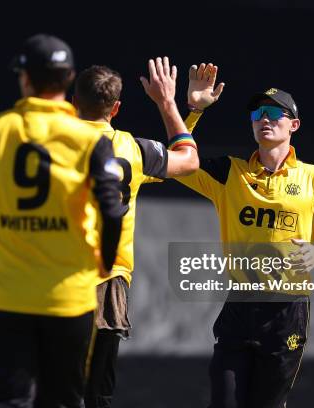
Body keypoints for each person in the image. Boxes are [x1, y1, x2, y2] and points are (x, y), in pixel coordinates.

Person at [0, 34, 124, 408]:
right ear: (69, 78)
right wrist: (103, 261)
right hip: (67, 298)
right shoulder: (89, 140)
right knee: (62, 401)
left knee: (7, 400)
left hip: (5, 295)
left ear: (24, 78)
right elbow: (111, 210)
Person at [176, 69, 314, 408]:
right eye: (258, 114)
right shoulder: (230, 173)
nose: (265, 119)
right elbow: (176, 161)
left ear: (294, 125)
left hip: (286, 312)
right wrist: (195, 111)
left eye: (275, 113)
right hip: (240, 306)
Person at [72, 62, 213, 408]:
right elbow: (187, 159)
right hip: (108, 282)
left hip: (57, 275)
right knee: (98, 393)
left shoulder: (52, 146)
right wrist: (172, 105)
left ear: (74, 102)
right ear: (116, 108)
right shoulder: (131, 151)